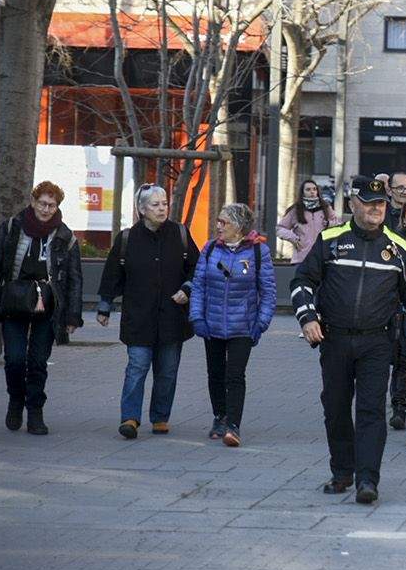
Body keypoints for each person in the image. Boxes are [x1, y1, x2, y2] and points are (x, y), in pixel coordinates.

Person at [292, 176, 406, 504]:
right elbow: (302, 282)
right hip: (335, 340)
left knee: (370, 411)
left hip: (377, 343)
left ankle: (368, 480)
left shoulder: (399, 247)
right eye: (368, 203)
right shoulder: (330, 239)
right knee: (336, 407)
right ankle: (342, 472)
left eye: (380, 204)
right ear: (354, 204)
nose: (375, 209)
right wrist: (308, 317)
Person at [97, 184, 199, 440]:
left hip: (172, 317)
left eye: (164, 203)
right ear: (142, 209)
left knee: (167, 370)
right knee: (137, 367)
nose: (162, 208)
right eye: (155, 204)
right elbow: (112, 274)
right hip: (138, 317)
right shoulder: (127, 238)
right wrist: (104, 305)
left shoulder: (181, 234)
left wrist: (187, 288)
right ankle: (130, 418)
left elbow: (197, 268)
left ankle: (160, 417)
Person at [0, 180, 83, 436]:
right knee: (15, 359)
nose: (46, 209)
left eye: (51, 205)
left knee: (38, 361)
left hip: (48, 305)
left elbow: (74, 278)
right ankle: (15, 399)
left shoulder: (65, 236)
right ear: (33, 201)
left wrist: (73, 315)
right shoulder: (12, 227)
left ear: (57, 206)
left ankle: (35, 411)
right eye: (42, 203)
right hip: (14, 301)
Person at [190, 202, 275, 446]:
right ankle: (220, 415)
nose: (218, 226)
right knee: (215, 373)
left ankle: (233, 425)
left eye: (224, 222)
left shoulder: (259, 252)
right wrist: (197, 317)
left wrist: (261, 323)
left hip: (243, 326)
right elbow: (198, 286)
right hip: (212, 324)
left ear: (238, 227)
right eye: (218, 220)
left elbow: (268, 292)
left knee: (235, 375)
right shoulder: (209, 249)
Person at [277, 179, 340, 263]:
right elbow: (280, 229)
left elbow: (339, 225)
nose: (312, 192)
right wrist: (293, 238)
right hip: (302, 259)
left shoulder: (326, 208)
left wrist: (329, 224)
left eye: (314, 189)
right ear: (302, 192)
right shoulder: (296, 210)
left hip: (323, 259)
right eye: (308, 189)